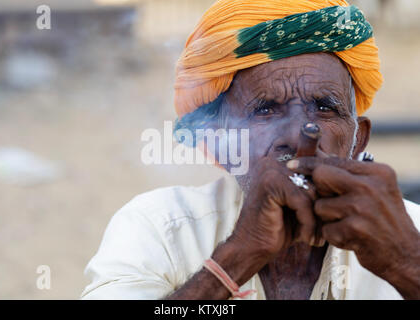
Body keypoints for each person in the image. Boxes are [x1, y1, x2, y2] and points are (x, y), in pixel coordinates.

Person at [81, 0, 420, 300]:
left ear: (358, 140)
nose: (298, 134)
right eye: (266, 110)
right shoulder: (159, 229)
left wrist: (404, 262)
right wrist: (240, 254)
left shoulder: (411, 231)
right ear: (220, 141)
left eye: (325, 108)